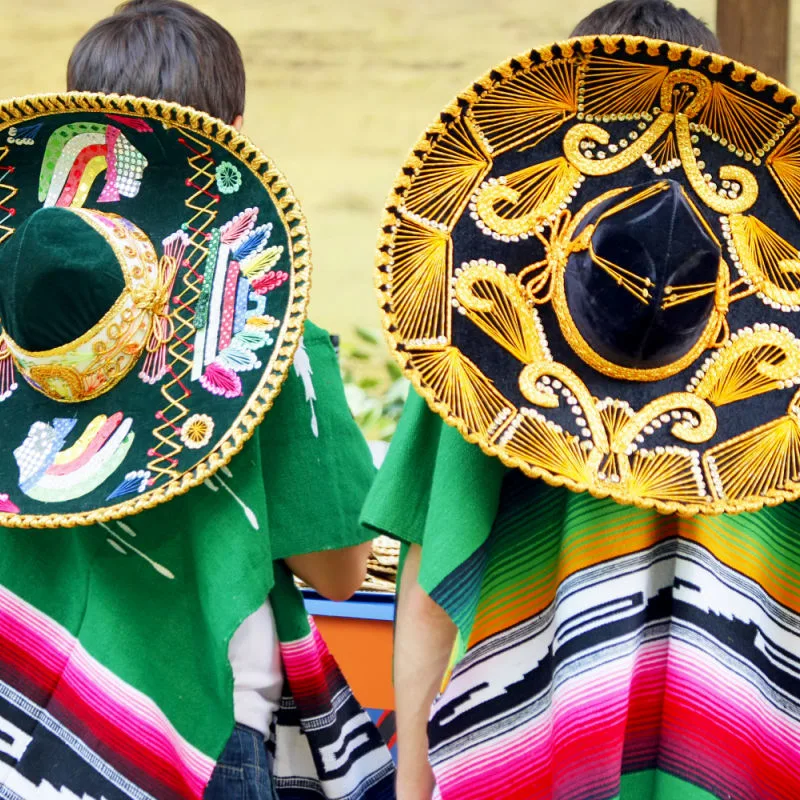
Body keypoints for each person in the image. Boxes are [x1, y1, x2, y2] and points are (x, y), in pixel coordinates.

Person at [362, 1, 800, 799]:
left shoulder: (477, 340)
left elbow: (428, 586)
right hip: (741, 742)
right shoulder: (789, 370)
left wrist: (414, 785)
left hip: (538, 741)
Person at [0, 1, 394, 799]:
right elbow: (344, 572)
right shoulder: (275, 340)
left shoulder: (16, 318)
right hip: (194, 742)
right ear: (236, 136)